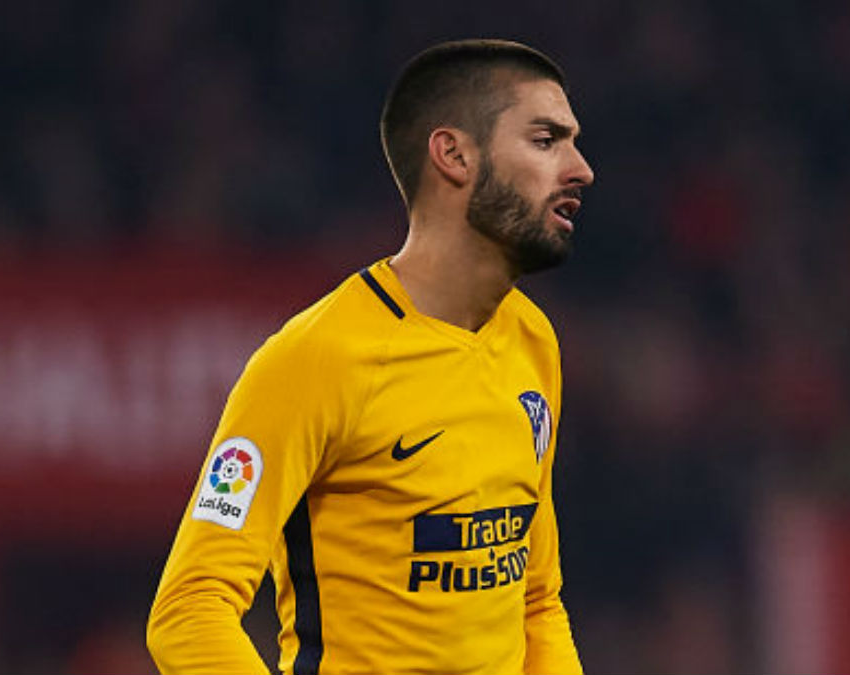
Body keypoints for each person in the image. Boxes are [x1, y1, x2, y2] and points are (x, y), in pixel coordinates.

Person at [146, 38, 595, 675]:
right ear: (455, 155)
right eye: (546, 140)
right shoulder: (315, 360)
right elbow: (189, 610)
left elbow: (536, 599)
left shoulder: (532, 340)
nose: (581, 168)